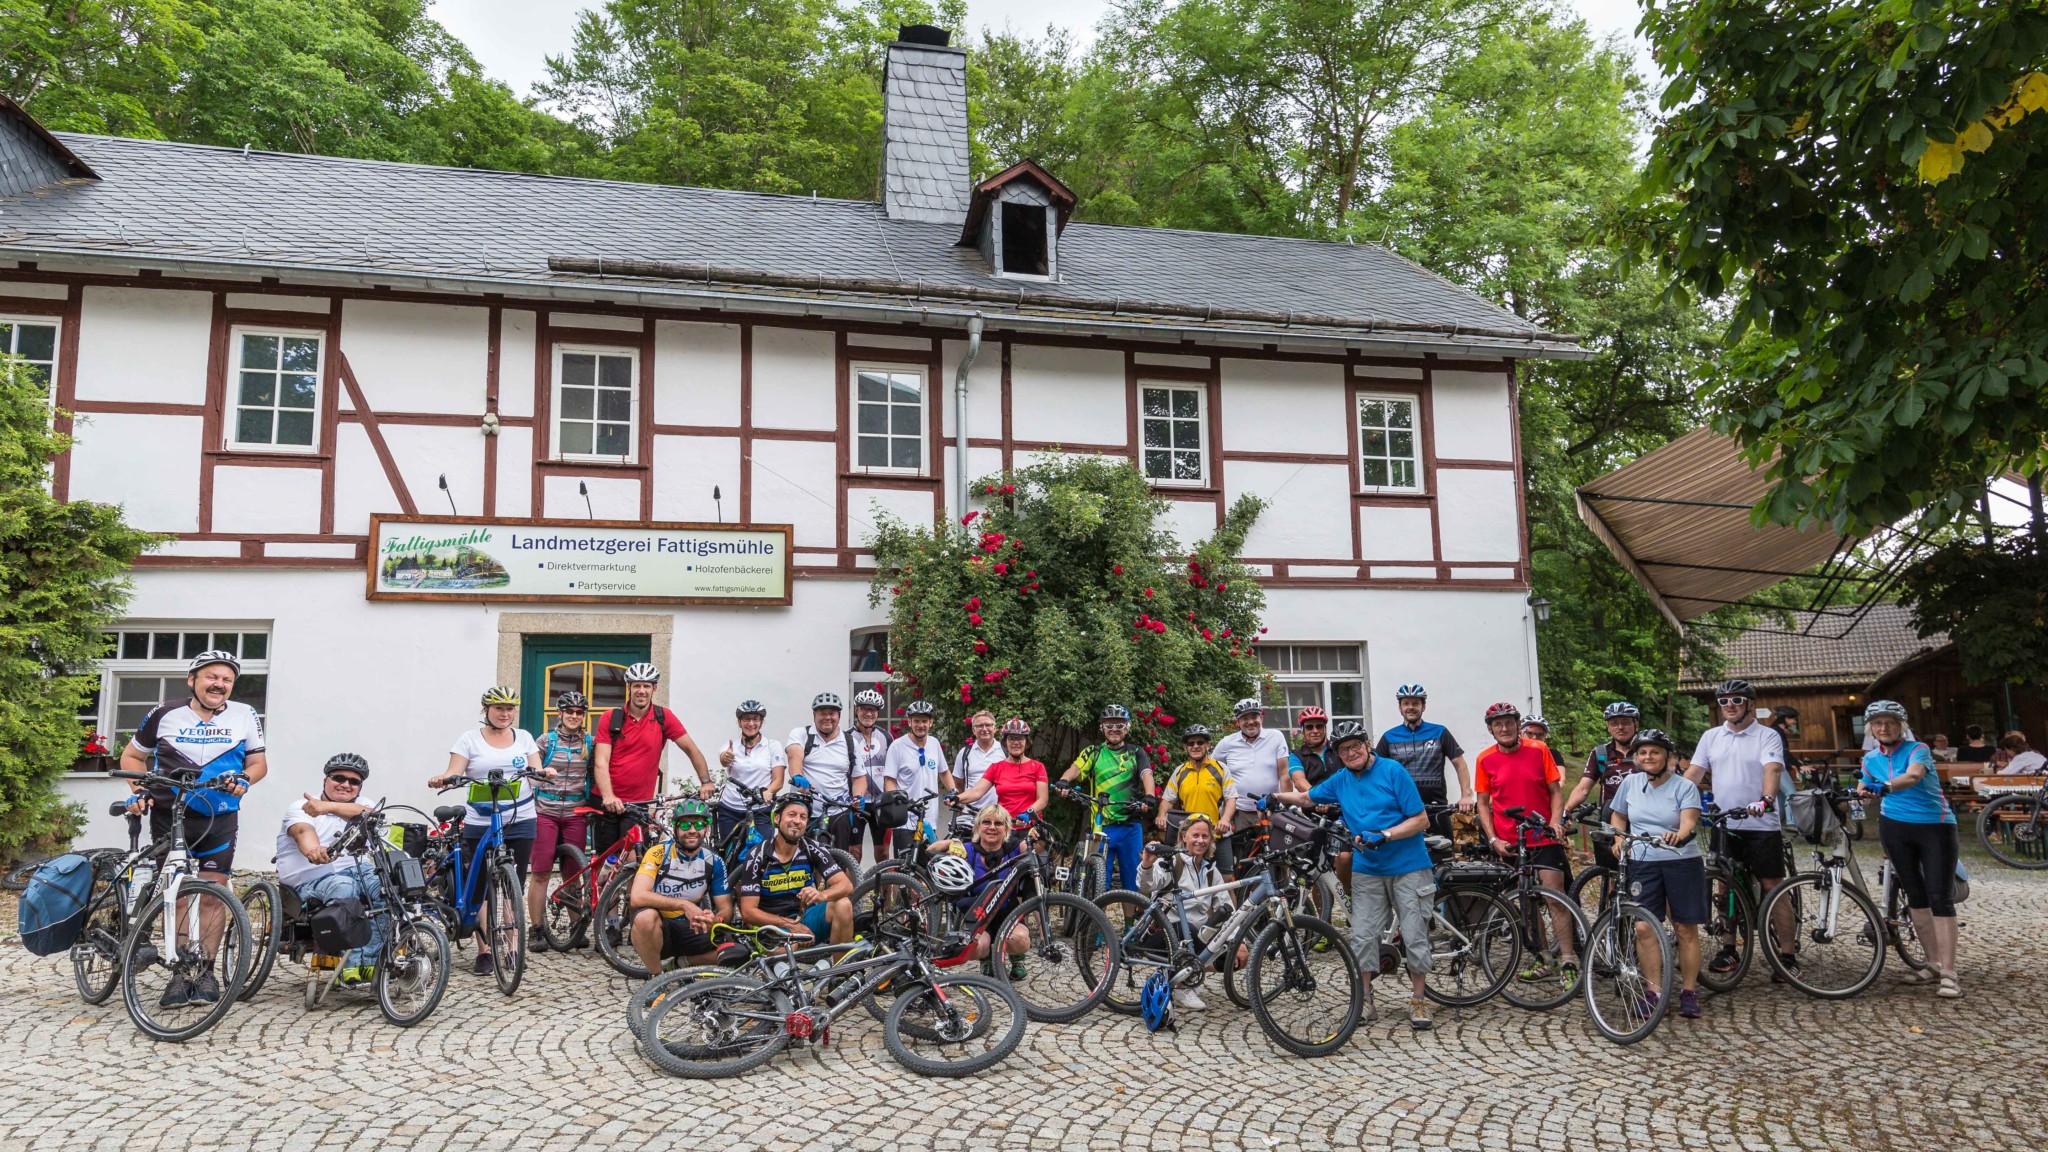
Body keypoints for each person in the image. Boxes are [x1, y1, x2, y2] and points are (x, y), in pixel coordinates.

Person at [121, 650, 269, 1001]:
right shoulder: (165, 713)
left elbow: (259, 763)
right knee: (179, 895)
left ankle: (205, 973)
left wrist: (245, 779)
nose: (219, 684)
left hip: (220, 816)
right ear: (192, 680)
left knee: (213, 897)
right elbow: (132, 757)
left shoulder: (245, 714)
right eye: (211, 677)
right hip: (170, 816)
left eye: (227, 679)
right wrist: (139, 791)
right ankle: (180, 973)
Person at [1273, 721, 1435, 1031]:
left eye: (1355, 746)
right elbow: (1307, 798)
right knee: (1362, 935)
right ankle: (1366, 999)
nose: (1350, 753)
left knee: (1414, 934)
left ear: (1367, 745)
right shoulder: (1341, 779)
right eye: (1343, 749)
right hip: (1368, 870)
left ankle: (1419, 999)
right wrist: (1275, 797)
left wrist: (1385, 834)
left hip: (1409, 867)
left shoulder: (1393, 772)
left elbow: (1421, 820)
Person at [431, 686, 550, 975]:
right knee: (482, 885)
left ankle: (512, 948)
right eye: (499, 708)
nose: (505, 713)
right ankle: (484, 950)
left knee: (513, 885)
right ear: (487, 710)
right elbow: (454, 771)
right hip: (481, 819)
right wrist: (444, 779)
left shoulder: (524, 738)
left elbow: (535, 771)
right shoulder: (469, 739)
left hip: (520, 817)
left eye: (509, 708)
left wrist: (545, 773)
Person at [1685, 678, 1797, 980]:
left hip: (1760, 823)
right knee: (1724, 885)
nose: (1730, 706)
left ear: (1749, 704)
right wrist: (1671, 798)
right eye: (1724, 701)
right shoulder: (1711, 736)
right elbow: (1694, 772)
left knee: (1773, 885)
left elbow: (1773, 768)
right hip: (1724, 823)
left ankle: (1788, 954)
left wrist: (1766, 799)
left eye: (1736, 700)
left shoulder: (1767, 735)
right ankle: (1729, 948)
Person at [1857, 700, 1962, 998]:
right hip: (1895, 828)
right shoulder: (1870, 758)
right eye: (1878, 723)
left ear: (1901, 726)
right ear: (1871, 729)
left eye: (1890, 722)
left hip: (1934, 827)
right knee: (1916, 896)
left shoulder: (1919, 750)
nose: (1884, 727)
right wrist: (1857, 794)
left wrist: (1885, 787)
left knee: (1940, 897)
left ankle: (1950, 973)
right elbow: (1864, 787)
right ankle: (1932, 964)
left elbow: (1913, 776)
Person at [1472, 701, 1579, 979]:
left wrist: (1555, 821)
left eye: (1509, 723)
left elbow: (1555, 791)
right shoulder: (1485, 759)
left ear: (1518, 725)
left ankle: (1569, 958)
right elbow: (1482, 803)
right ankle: (1543, 957)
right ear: (1491, 729)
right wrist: (1493, 839)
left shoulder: (1539, 750)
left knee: (1555, 897)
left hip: (1542, 835)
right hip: (1510, 842)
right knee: (1525, 902)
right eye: (1498, 724)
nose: (1504, 728)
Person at [1608, 729, 1706, 1019]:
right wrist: (1618, 837)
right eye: (1643, 752)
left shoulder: (1684, 787)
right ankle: (1654, 992)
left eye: (1655, 752)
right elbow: (1618, 815)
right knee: (1643, 927)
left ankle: (1688, 991)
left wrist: (1679, 835)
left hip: (1681, 861)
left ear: (1667, 756)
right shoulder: (1630, 782)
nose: (1648, 757)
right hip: (1642, 861)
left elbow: (1689, 821)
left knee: (1685, 927)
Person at [275, 754, 379, 988]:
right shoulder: (301, 806)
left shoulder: (363, 804)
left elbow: (371, 814)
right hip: (312, 878)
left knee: (387, 887)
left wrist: (328, 807)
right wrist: (314, 851)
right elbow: (303, 831)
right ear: (325, 780)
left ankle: (371, 963)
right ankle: (352, 965)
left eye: (354, 782)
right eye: (338, 778)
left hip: (358, 871)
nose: (346, 784)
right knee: (344, 885)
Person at [593, 663, 714, 862]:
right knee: (605, 861)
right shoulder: (611, 718)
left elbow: (691, 749)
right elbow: (601, 761)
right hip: (607, 801)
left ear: (654, 689)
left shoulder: (662, 717)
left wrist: (706, 782)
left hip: (638, 804)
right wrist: (608, 796)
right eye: (637, 685)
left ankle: (630, 885)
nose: (641, 691)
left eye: (646, 686)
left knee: (634, 859)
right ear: (629, 687)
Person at [1136, 814, 1243, 1010]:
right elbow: (1145, 885)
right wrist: (1147, 864)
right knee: (1190, 933)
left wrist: (1237, 941)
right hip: (1162, 934)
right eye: (1195, 835)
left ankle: (1180, 975)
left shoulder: (1211, 872)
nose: (1200, 841)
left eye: (1205, 836)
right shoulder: (1171, 862)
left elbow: (1227, 909)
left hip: (1194, 937)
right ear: (1184, 836)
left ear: (1210, 840)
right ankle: (1182, 986)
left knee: (1232, 957)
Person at [627, 798, 734, 973]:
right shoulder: (658, 853)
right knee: (644, 918)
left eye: (698, 825)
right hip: (661, 929)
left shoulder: (713, 861)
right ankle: (656, 977)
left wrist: (716, 919)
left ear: (706, 829)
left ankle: (681, 963)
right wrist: (684, 905)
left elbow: (726, 908)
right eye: (685, 825)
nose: (692, 830)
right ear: (675, 829)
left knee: (734, 952)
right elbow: (637, 897)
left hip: (693, 929)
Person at [1059, 705, 1156, 892]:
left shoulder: (1136, 752)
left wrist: (1149, 795)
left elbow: (1146, 774)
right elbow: (1076, 768)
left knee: (1132, 883)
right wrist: (1064, 780)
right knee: (1097, 881)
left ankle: (1129, 913)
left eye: (1119, 725)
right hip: (1101, 825)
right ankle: (1095, 910)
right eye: (1109, 725)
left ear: (1127, 727)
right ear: (1102, 728)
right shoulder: (1094, 752)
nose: (1114, 729)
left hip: (1130, 825)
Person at [733, 793, 854, 944]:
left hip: (805, 919)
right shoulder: (758, 855)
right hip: (775, 925)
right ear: (777, 819)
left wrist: (821, 895)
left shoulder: (812, 848)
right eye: (791, 815)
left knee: (843, 905)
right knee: (785, 946)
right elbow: (748, 912)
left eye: (803, 817)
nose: (797, 821)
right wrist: (789, 925)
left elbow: (846, 885)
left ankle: (840, 960)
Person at [929, 804, 1031, 979]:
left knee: (1019, 940)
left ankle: (1017, 958)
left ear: (1006, 828)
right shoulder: (968, 849)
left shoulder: (1014, 848)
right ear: (977, 826)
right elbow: (930, 850)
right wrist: (952, 842)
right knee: (977, 947)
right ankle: (986, 958)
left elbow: (1037, 849)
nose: (992, 827)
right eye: (986, 822)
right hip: (977, 916)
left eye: (998, 823)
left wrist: (1037, 836)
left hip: (1007, 913)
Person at [528, 691, 593, 952]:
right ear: (560, 713)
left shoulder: (589, 742)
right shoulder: (546, 740)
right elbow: (531, 773)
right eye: (570, 711)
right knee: (541, 872)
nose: (574, 716)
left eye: (579, 712)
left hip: (575, 813)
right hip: (545, 811)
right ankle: (536, 929)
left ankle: (575, 925)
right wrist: (542, 774)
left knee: (572, 873)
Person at [1375, 684, 1475, 833]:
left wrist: (1466, 796)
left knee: (1445, 847)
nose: (1411, 707)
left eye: (1416, 703)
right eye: (1406, 703)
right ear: (1400, 708)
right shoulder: (1389, 737)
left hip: (1437, 808)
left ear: (1423, 707)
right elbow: (1376, 771)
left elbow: (1460, 764)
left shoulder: (1440, 732)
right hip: (1402, 809)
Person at [1564, 702, 1642, 876]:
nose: (1620, 727)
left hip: (1643, 818)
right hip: (1610, 819)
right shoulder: (1601, 753)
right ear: (1608, 727)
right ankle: (1611, 892)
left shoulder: (1646, 751)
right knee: (1611, 872)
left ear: (1636, 724)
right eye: (1614, 723)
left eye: (1625, 722)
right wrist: (1566, 810)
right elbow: (1583, 788)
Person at [785, 693, 865, 853]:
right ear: (814, 715)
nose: (827, 717)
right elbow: (794, 756)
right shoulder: (802, 734)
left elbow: (859, 777)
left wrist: (859, 796)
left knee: (839, 859)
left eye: (832, 713)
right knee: (803, 858)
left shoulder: (850, 742)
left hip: (839, 812)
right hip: (806, 811)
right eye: (822, 713)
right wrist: (797, 776)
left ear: (839, 716)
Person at [1157, 726, 1240, 873]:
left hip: (1218, 834)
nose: (1195, 746)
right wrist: (1161, 815)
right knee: (1189, 878)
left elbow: (1231, 798)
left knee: (1226, 879)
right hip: (1192, 838)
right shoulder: (1180, 771)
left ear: (1208, 745)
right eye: (1191, 743)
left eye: (1200, 742)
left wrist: (1226, 819)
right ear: (1185, 747)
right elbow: (1168, 800)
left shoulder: (1220, 768)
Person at [952, 719, 1049, 840]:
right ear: (1005, 742)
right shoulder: (996, 768)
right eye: (1011, 739)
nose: (1016, 743)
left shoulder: (1037, 767)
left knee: (1031, 851)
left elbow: (1043, 799)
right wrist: (957, 798)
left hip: (1030, 828)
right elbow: (976, 791)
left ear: (1026, 742)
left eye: (1020, 739)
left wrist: (1028, 813)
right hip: (1004, 828)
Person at [714, 699, 786, 850]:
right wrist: (726, 757)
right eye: (746, 719)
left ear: (761, 722)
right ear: (739, 722)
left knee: (761, 852)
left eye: (755, 719)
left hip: (760, 809)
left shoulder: (772, 746)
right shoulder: (730, 746)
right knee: (729, 851)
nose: (751, 723)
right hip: (730, 809)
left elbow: (778, 780)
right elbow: (724, 760)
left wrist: (769, 791)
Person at [884, 701, 946, 853]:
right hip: (905, 819)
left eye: (924, 721)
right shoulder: (897, 746)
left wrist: (954, 793)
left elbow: (944, 772)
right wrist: (897, 802)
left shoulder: (934, 743)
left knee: (927, 862)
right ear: (909, 722)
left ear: (931, 722)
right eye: (916, 721)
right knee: (904, 864)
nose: (920, 725)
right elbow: (889, 780)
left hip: (929, 819)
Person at [846, 689, 895, 862]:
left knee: (883, 853)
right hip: (856, 803)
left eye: (873, 710)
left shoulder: (886, 737)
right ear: (856, 710)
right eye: (864, 709)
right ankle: (853, 882)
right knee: (854, 853)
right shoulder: (847, 737)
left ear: (878, 712)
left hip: (880, 802)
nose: (868, 713)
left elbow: (892, 768)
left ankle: (883, 881)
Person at [945, 710, 1004, 817]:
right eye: (980, 726)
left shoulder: (1004, 752)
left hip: (998, 813)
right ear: (973, 730)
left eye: (988, 725)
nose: (984, 729)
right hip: (970, 813)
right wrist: (958, 808)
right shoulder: (965, 753)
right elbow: (958, 784)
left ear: (994, 728)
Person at [1287, 707, 1337, 789]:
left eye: (1319, 726)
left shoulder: (1337, 748)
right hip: (1314, 796)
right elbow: (1299, 781)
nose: (1315, 731)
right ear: (1303, 730)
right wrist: (1319, 795)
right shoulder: (1296, 756)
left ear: (1325, 728)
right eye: (1309, 727)